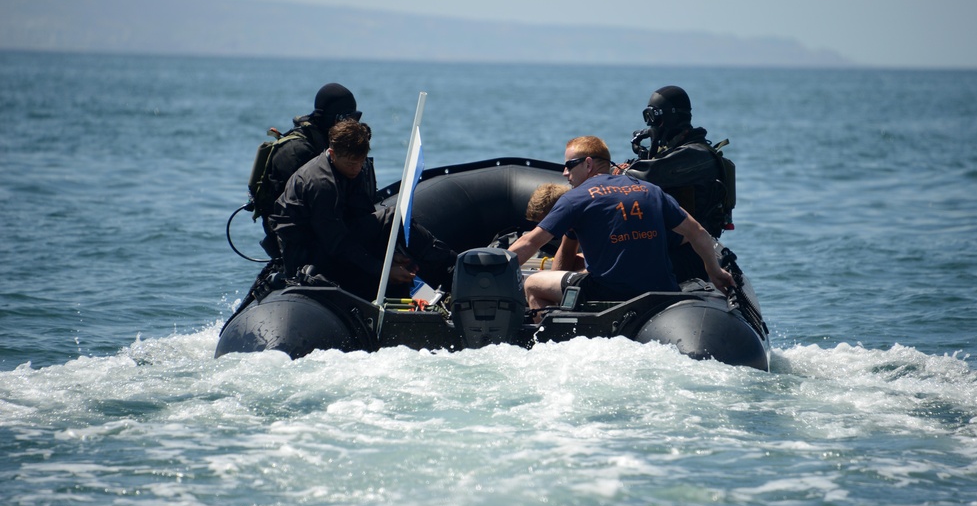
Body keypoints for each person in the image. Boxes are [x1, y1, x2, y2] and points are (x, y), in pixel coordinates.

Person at [506, 136, 735, 314]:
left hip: (609, 293)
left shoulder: (574, 199)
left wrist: (492, 269)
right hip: (663, 291)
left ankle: (548, 346)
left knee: (534, 283)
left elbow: (530, 242)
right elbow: (698, 233)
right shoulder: (651, 191)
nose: (565, 172)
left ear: (588, 164)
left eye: (569, 165)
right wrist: (714, 271)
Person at [269, 119, 455, 301]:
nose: (357, 168)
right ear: (332, 154)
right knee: (383, 230)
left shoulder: (352, 170)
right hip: (310, 251)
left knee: (393, 217)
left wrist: (389, 254)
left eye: (361, 162)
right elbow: (336, 243)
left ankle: (451, 266)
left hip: (334, 235)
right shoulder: (321, 184)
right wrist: (382, 269)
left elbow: (361, 217)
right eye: (351, 163)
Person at [624, 85, 737, 282]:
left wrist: (610, 173)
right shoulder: (676, 152)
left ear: (667, 117)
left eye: (653, 117)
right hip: (674, 242)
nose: (652, 124)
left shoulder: (695, 155)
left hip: (693, 251)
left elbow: (647, 175)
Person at [258, 83, 375, 257]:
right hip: (302, 242)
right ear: (333, 119)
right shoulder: (297, 153)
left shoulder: (335, 145)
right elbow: (303, 216)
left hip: (331, 225)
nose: (353, 124)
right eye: (347, 118)